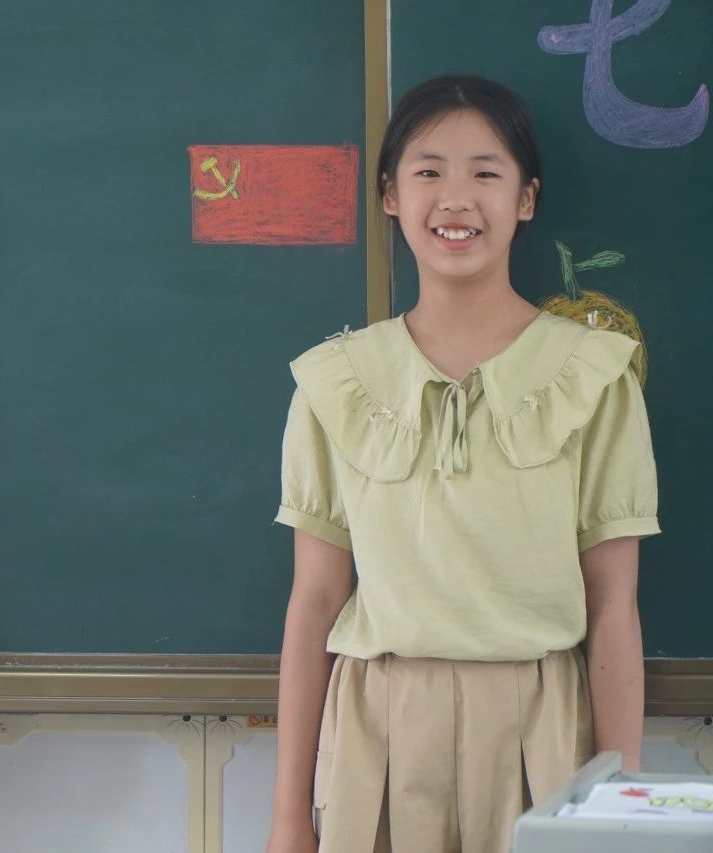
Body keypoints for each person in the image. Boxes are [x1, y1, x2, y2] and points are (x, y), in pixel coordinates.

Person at [265, 76, 659, 853]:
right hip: (377, 727)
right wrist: (287, 820)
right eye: (428, 171)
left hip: (544, 721)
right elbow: (314, 602)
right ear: (390, 194)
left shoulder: (592, 375)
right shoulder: (336, 382)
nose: (456, 199)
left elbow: (614, 603)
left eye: (486, 172)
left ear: (525, 198)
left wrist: (622, 807)